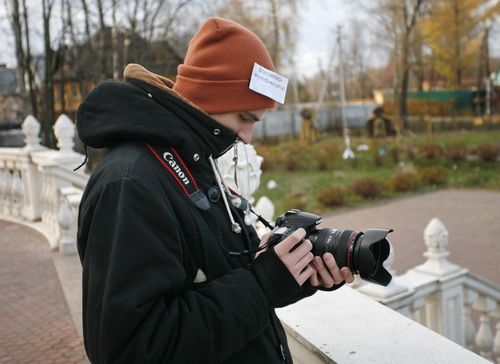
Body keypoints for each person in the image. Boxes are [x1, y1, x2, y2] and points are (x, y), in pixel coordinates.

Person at [76, 17, 353, 364]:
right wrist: (260, 285)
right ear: (210, 97)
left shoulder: (193, 160)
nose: (248, 137)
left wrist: (289, 276)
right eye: (245, 117)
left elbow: (219, 276)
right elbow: (131, 349)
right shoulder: (131, 185)